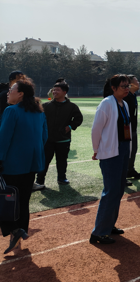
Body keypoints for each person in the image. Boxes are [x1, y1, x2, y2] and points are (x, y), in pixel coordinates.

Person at [0, 78, 47, 254]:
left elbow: (4, 139)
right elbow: (43, 137)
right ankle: (18, 236)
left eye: (11, 89)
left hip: (12, 165)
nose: (8, 92)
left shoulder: (11, 111)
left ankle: (14, 229)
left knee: (6, 200)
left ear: (20, 94)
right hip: (31, 164)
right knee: (23, 202)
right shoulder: (39, 112)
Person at [90, 75, 133, 245]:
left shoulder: (125, 104)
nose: (126, 88)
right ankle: (99, 232)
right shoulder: (107, 103)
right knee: (111, 191)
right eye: (123, 86)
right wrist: (96, 149)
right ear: (113, 88)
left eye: (127, 85)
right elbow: (96, 129)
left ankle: (109, 225)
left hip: (121, 150)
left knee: (118, 189)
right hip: (110, 152)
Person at [35, 79, 83, 190]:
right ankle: (39, 180)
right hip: (48, 140)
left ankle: (62, 178)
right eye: (54, 90)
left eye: (57, 90)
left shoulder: (72, 106)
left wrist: (70, 126)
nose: (55, 92)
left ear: (65, 92)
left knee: (62, 160)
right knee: (44, 160)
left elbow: (78, 119)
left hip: (63, 139)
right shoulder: (46, 106)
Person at [125, 74, 140, 180]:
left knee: (133, 149)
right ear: (130, 84)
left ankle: (130, 169)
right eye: (136, 81)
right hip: (126, 128)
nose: (138, 83)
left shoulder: (133, 95)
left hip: (133, 127)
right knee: (127, 150)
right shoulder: (126, 97)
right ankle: (124, 173)